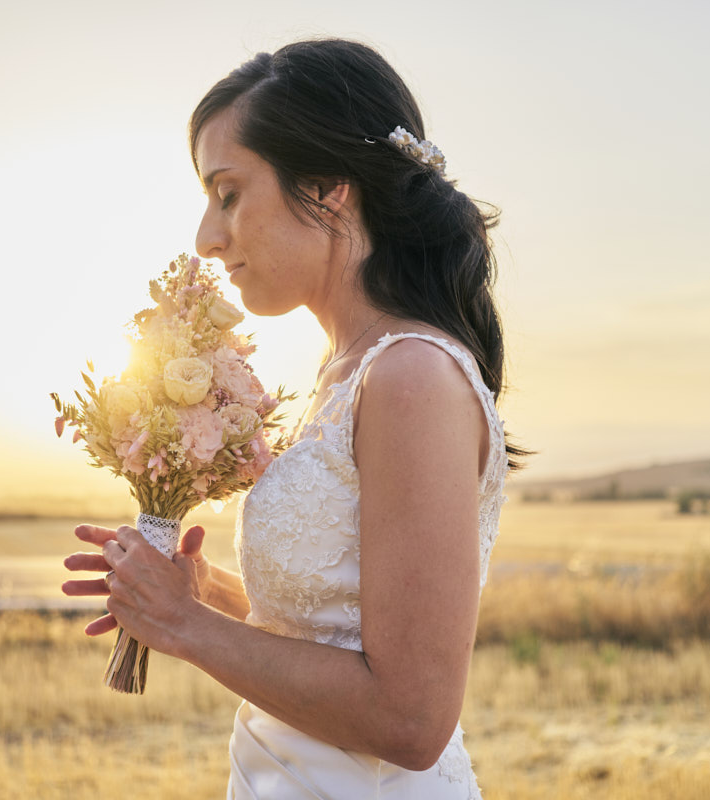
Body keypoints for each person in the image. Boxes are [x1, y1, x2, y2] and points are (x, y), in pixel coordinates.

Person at [63, 38, 522, 798]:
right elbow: (339, 632)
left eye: (229, 193)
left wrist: (185, 627)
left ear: (328, 185)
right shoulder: (344, 371)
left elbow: (411, 718)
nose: (207, 238)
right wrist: (208, 592)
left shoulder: (409, 377)